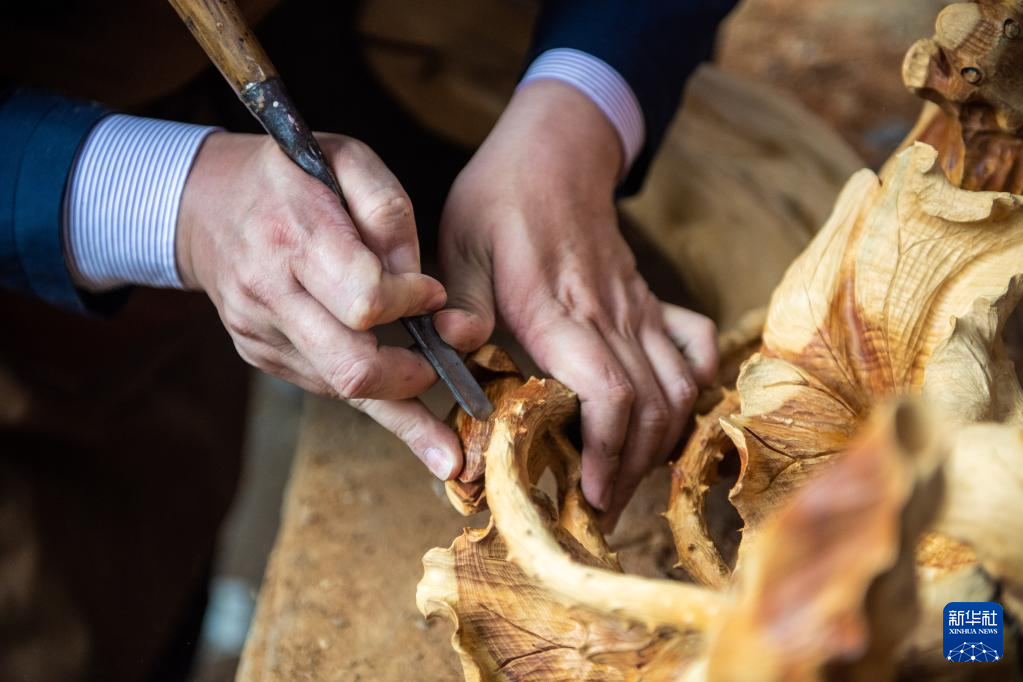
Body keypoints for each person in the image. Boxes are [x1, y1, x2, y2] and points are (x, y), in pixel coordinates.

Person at [0, 0, 734, 677]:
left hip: (365, 64)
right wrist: (166, 201)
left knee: (176, 510)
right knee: (84, 613)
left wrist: (574, 114)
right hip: (36, 267)